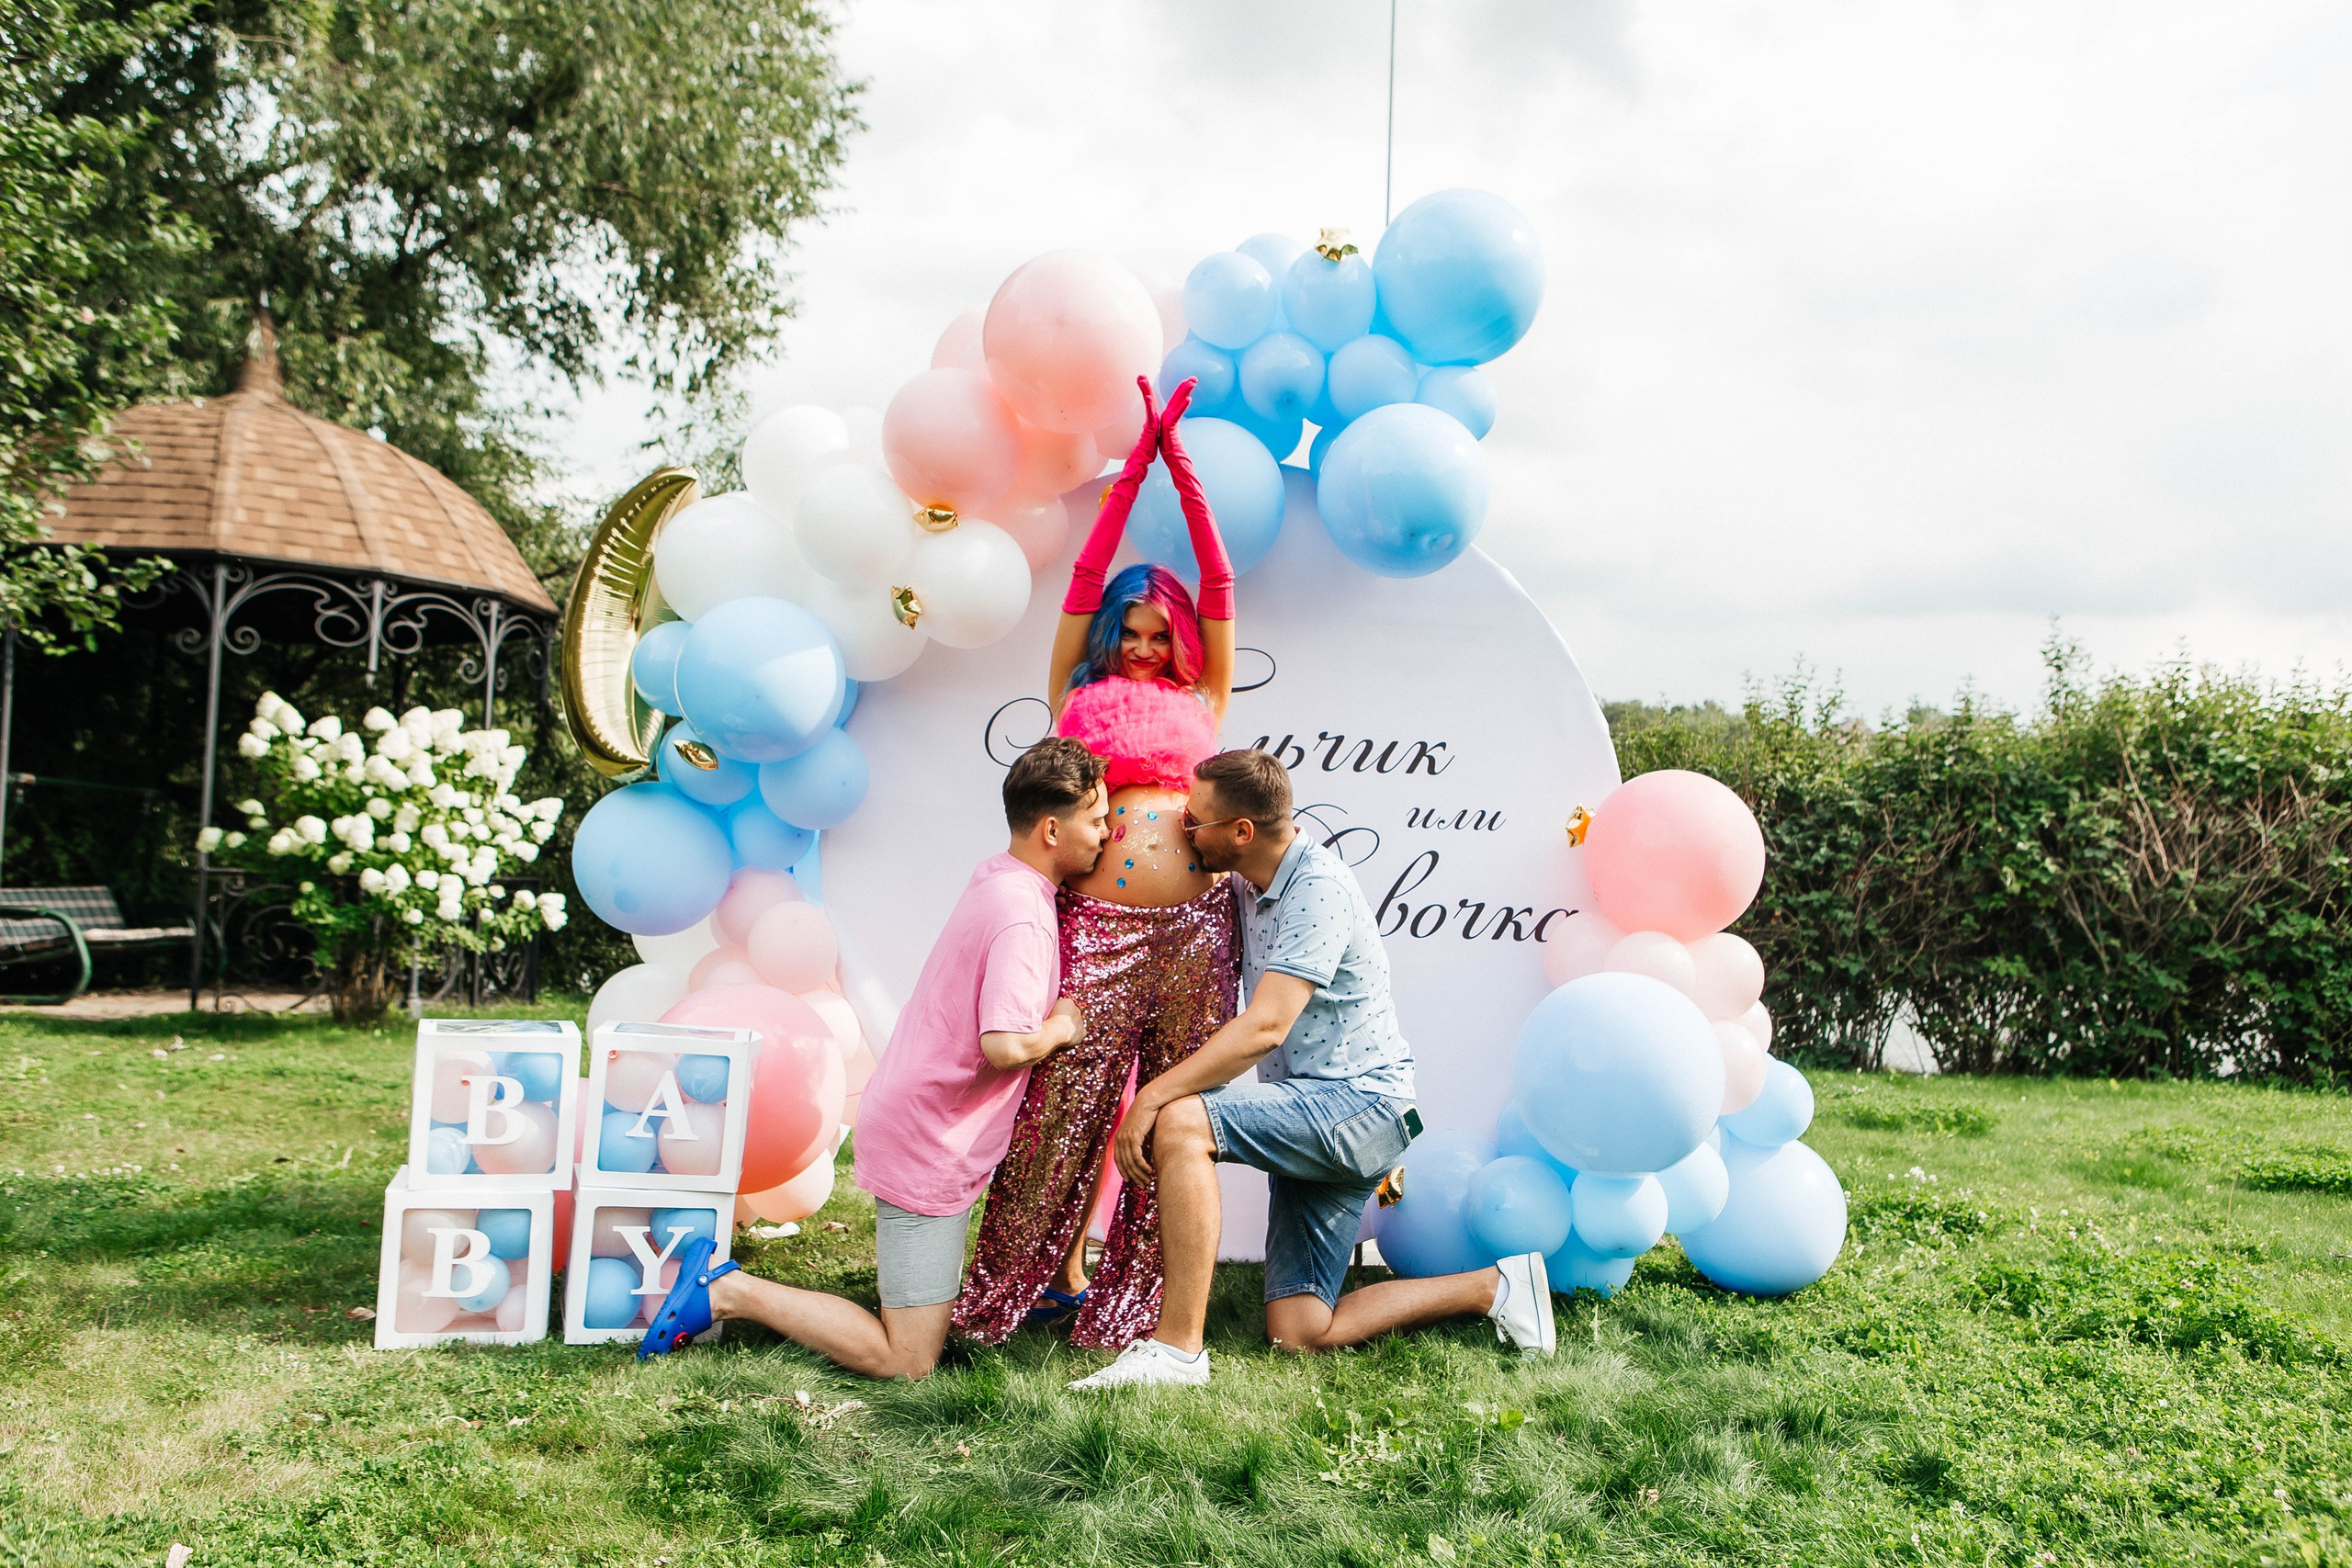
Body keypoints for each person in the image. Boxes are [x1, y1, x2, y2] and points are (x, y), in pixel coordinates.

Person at [1067, 750, 1556, 1389]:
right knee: (1299, 1330)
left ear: (1241, 831)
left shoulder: (1317, 887)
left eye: (1195, 819)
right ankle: (1497, 1286)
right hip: (1317, 1108)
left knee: (1182, 1121)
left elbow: (1266, 1025)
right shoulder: (1245, 878)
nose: (1184, 828)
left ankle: (1178, 1351)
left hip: (1361, 1109)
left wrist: (1151, 1097)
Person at [636, 738, 1111, 1378]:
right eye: (1098, 817)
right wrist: (1061, 1025)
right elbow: (1004, 1044)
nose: (1107, 832)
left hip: (922, 1118)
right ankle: (726, 1290)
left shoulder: (1003, 877)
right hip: (928, 1139)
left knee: (916, 1330)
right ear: (1053, 829)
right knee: (908, 1358)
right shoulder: (1022, 912)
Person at [952, 375, 1245, 1350]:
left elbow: (1219, 587)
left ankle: (1131, 1307)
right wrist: (1136, 468)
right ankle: (1012, 1289)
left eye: (1163, 636)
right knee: (1061, 1109)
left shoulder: (1204, 696)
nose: (1146, 648)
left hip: (1198, 931)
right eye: (1133, 630)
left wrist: (1182, 462)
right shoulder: (1071, 687)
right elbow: (1083, 577)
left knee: (1172, 1120)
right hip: (1097, 926)